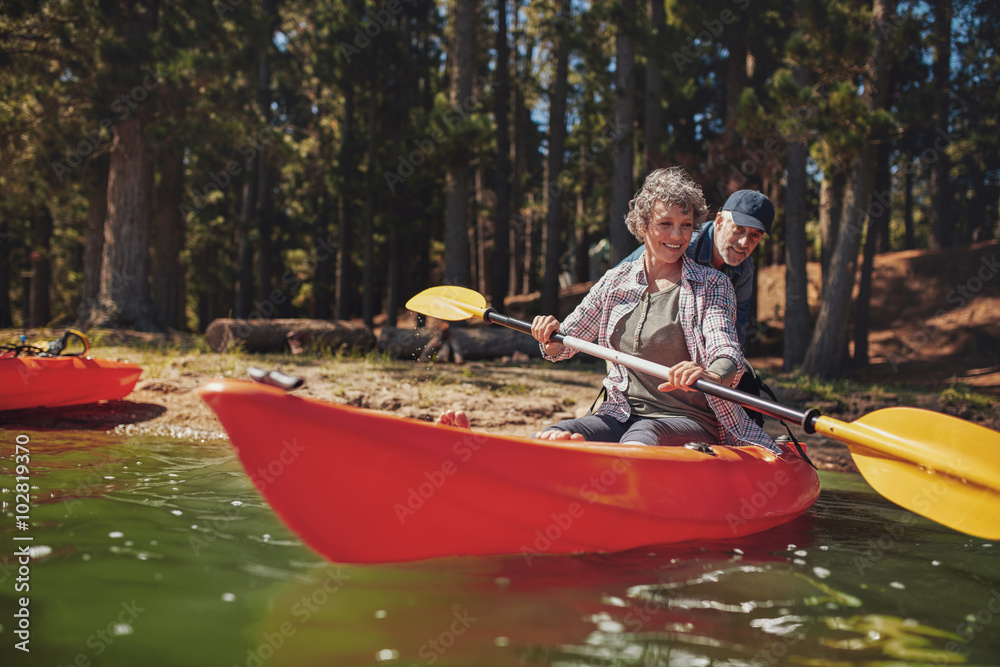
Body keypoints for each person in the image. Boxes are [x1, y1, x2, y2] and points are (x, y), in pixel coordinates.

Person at [440, 167, 779, 454]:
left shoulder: (712, 285)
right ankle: (485, 458)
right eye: (666, 224)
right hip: (619, 411)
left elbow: (727, 348)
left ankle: (594, 474)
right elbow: (565, 343)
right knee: (557, 431)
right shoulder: (616, 281)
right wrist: (549, 335)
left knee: (641, 438)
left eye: (686, 225)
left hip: (689, 420)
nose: (677, 236)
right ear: (642, 225)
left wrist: (711, 374)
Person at [619, 189, 774, 348]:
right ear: (719, 221)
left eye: (755, 235)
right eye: (739, 229)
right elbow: (621, 281)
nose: (744, 243)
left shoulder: (744, 270)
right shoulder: (682, 247)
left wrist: (731, 364)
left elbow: (736, 328)